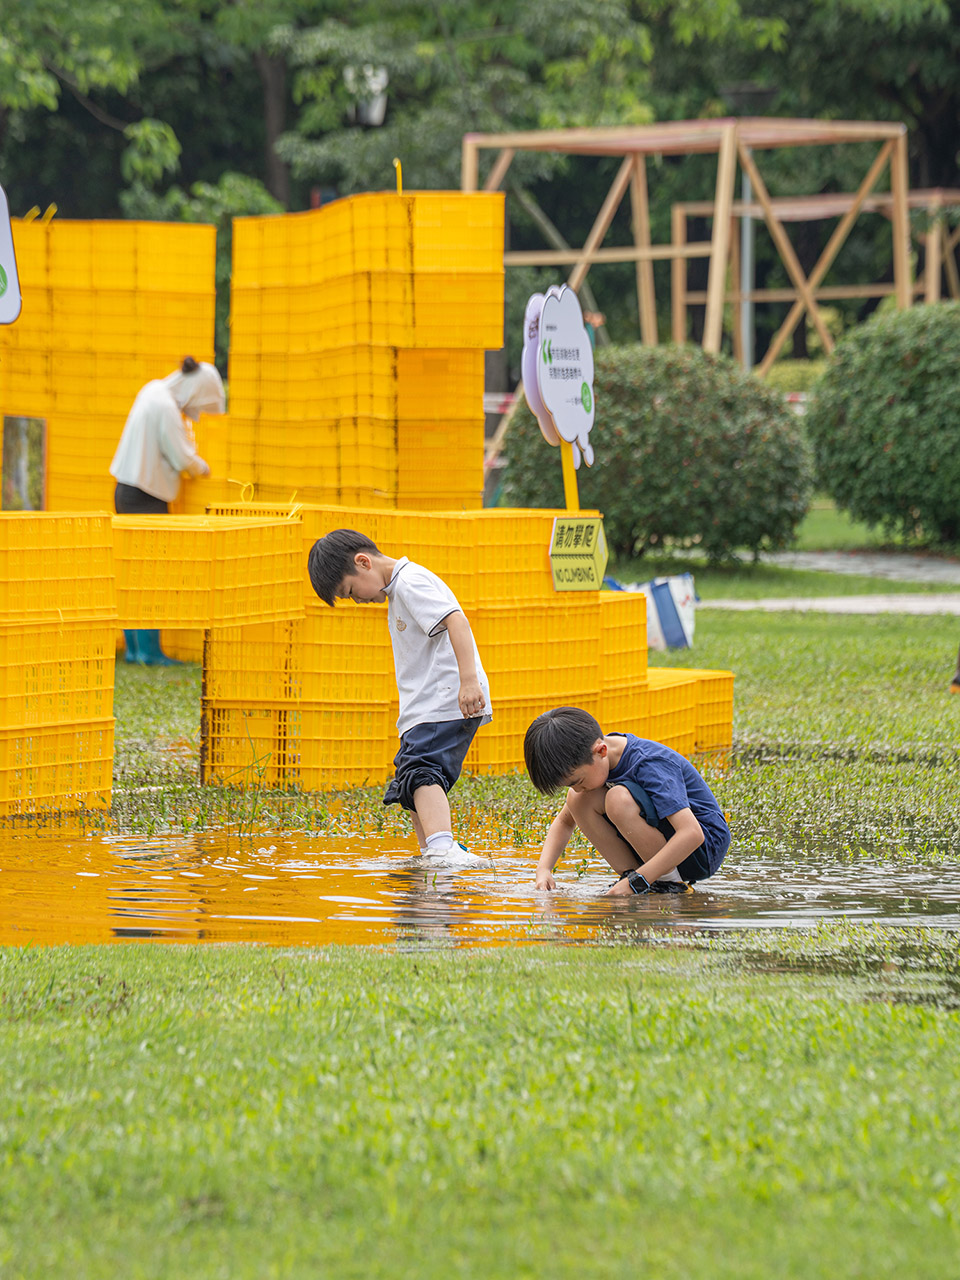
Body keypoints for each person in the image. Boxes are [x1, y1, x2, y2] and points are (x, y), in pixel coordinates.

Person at [307, 529, 492, 863]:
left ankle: (441, 847)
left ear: (363, 562)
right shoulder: (399, 590)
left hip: (445, 699)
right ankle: (432, 850)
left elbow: (457, 621)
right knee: (409, 779)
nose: (358, 600)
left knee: (422, 769)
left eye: (350, 591)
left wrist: (468, 681)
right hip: (424, 707)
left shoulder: (410, 582)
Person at [524, 705, 730, 895]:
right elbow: (564, 821)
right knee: (577, 800)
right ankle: (633, 875)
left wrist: (639, 881)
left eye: (578, 781)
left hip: (700, 849)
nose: (578, 788)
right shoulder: (598, 761)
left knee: (617, 798)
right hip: (667, 845)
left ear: (601, 751)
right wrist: (544, 869)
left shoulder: (649, 763)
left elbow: (692, 834)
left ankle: (667, 883)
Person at [110, 356, 225, 665]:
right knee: (151, 574)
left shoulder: (152, 391)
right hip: (147, 498)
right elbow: (183, 458)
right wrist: (204, 467)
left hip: (127, 492)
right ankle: (148, 652)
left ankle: (136, 649)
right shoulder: (166, 407)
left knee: (135, 573)